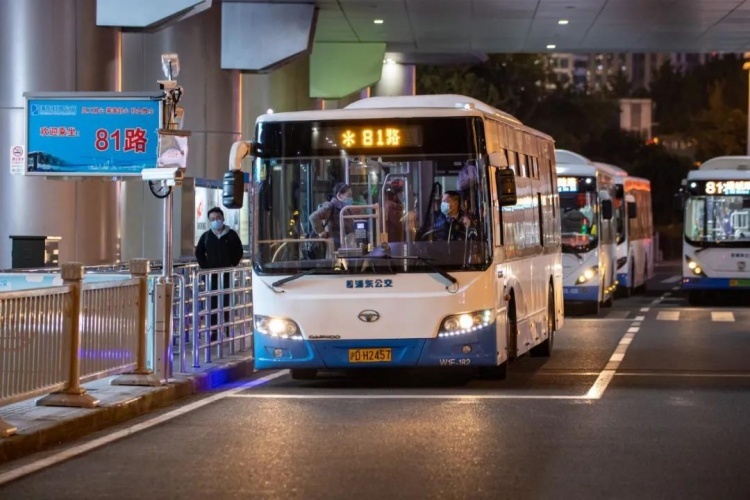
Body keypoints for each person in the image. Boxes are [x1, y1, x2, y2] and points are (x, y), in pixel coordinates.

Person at [195, 207, 244, 341]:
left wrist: (232, 263)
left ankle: (228, 328)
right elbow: (199, 252)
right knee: (213, 303)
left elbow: (238, 251)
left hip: (226, 274)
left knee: (227, 302)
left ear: (223, 218)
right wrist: (205, 267)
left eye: (217, 218)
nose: (215, 221)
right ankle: (214, 330)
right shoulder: (206, 236)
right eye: (212, 219)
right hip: (211, 276)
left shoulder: (231, 234)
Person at [309, 183, 355, 248]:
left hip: (344, 245)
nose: (351, 198)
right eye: (348, 195)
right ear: (339, 195)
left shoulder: (345, 208)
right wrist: (322, 232)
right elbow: (313, 217)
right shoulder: (330, 206)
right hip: (334, 246)